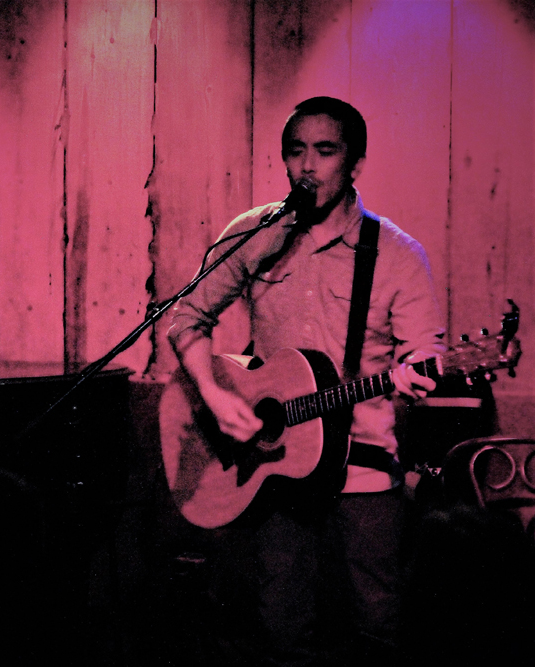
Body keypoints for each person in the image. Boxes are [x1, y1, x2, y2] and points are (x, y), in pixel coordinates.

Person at [167, 97, 445, 665]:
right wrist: (217, 397)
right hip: (276, 467)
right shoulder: (254, 234)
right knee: (279, 625)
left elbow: (426, 348)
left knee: (376, 621)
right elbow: (185, 319)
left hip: (363, 465)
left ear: (355, 163)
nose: (308, 167)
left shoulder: (396, 254)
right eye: (296, 152)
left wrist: (421, 371)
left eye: (325, 151)